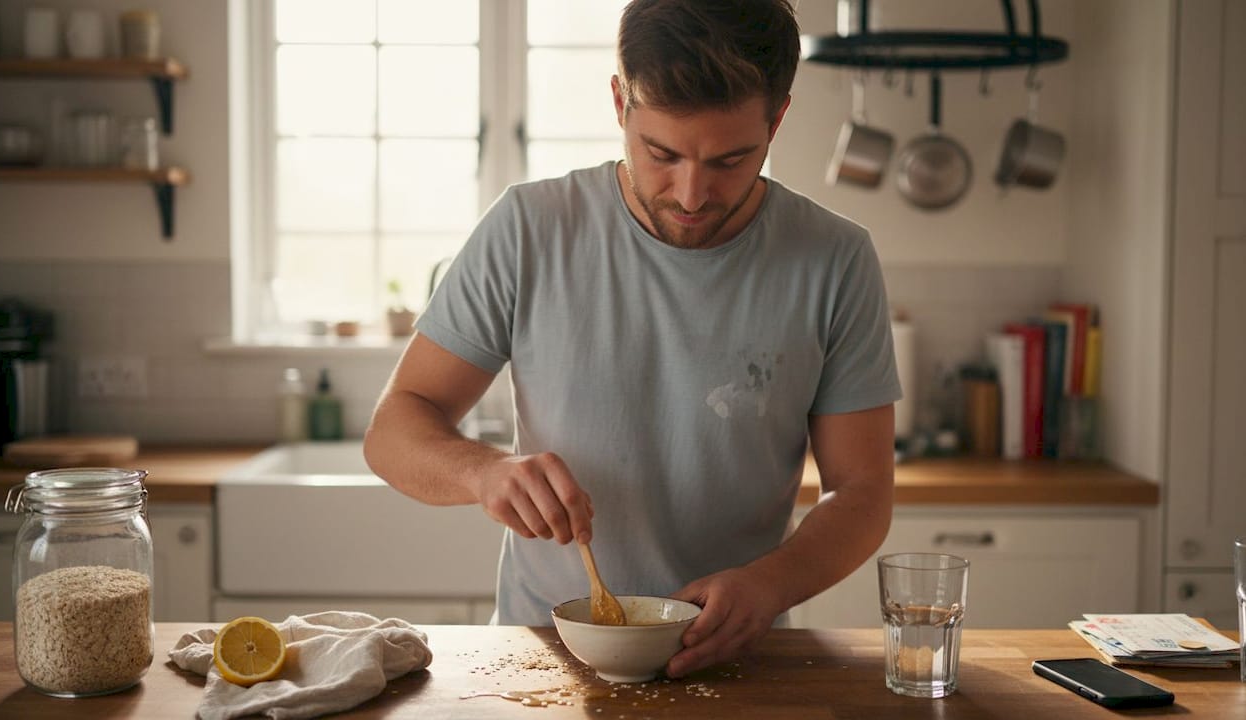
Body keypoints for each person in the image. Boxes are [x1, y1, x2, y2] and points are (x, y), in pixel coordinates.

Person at [364, 0, 900, 679]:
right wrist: (484, 472)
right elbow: (394, 427)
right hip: (544, 661)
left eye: (731, 160)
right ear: (620, 103)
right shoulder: (529, 229)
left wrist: (770, 585)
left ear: (778, 119)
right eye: (661, 153)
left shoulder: (836, 259)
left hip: (737, 662)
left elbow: (862, 492)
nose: (691, 194)